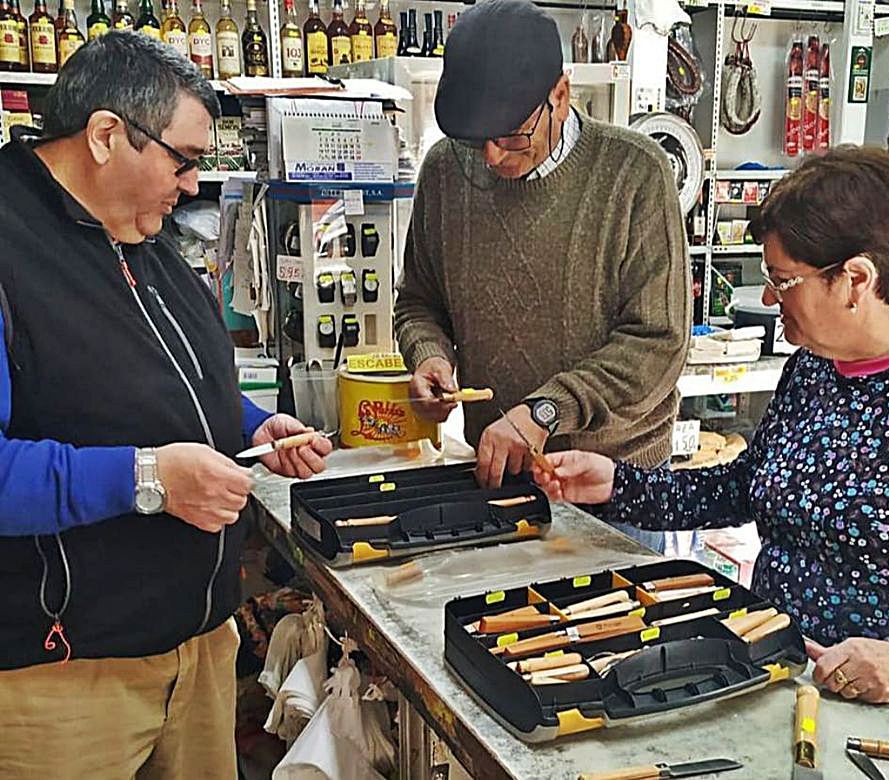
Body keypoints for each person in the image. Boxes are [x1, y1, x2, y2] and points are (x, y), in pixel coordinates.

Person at [0, 32, 332, 779]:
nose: (190, 185)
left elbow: (166, 379)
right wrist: (149, 479)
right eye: (181, 161)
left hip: (198, 647)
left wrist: (248, 429)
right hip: (66, 676)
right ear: (106, 135)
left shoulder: (138, 230)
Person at [532, 145, 889, 706]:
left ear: (856, 280)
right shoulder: (813, 368)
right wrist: (619, 485)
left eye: (784, 281)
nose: (769, 299)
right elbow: (745, 487)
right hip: (776, 676)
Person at [394, 0, 690, 553]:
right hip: (499, 473)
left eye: (509, 136)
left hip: (615, 485)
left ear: (561, 94)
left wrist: (547, 411)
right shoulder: (444, 170)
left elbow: (660, 344)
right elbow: (418, 300)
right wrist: (428, 355)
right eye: (472, 137)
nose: (487, 157)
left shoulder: (634, 174)